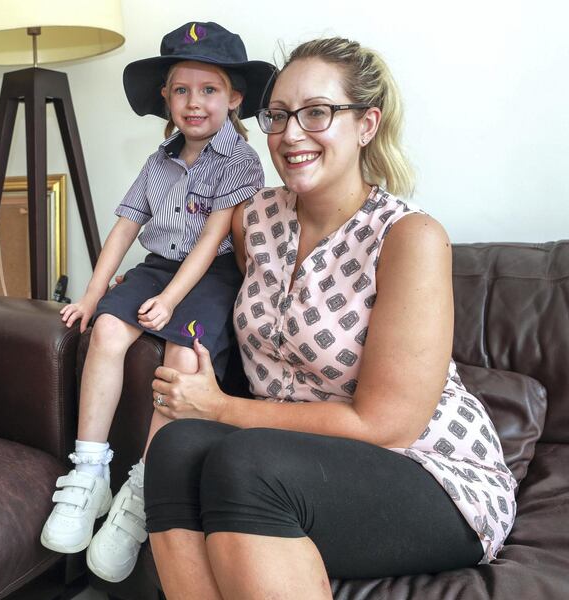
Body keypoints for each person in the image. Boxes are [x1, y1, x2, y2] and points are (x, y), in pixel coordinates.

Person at [144, 37, 517, 599]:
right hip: (295, 463)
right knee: (174, 450)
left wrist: (220, 406)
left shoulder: (409, 237)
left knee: (245, 459)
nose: (291, 134)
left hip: (431, 473)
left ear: (366, 124)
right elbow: (189, 266)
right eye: (278, 116)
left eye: (317, 112)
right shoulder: (254, 220)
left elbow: (385, 425)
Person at [40, 22, 275, 583]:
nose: (195, 102)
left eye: (210, 90)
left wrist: (170, 302)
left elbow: (216, 236)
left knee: (181, 359)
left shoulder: (240, 161)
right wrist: (93, 297)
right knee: (106, 333)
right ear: (166, 100)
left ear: (235, 98)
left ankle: (143, 491)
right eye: (181, 90)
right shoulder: (157, 163)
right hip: (157, 267)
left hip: (210, 273)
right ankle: (91, 471)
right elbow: (123, 229)